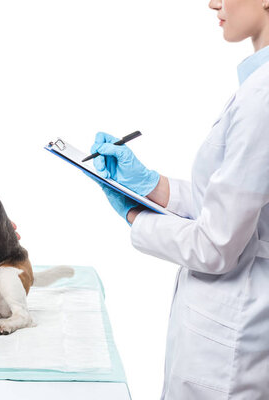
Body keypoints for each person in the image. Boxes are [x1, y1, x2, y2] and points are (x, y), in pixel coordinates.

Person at [90, 0, 269, 398]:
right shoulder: (257, 86)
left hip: (232, 346)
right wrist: (153, 186)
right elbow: (237, 204)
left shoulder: (263, 98)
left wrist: (137, 215)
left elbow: (215, 246)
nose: (213, 3)